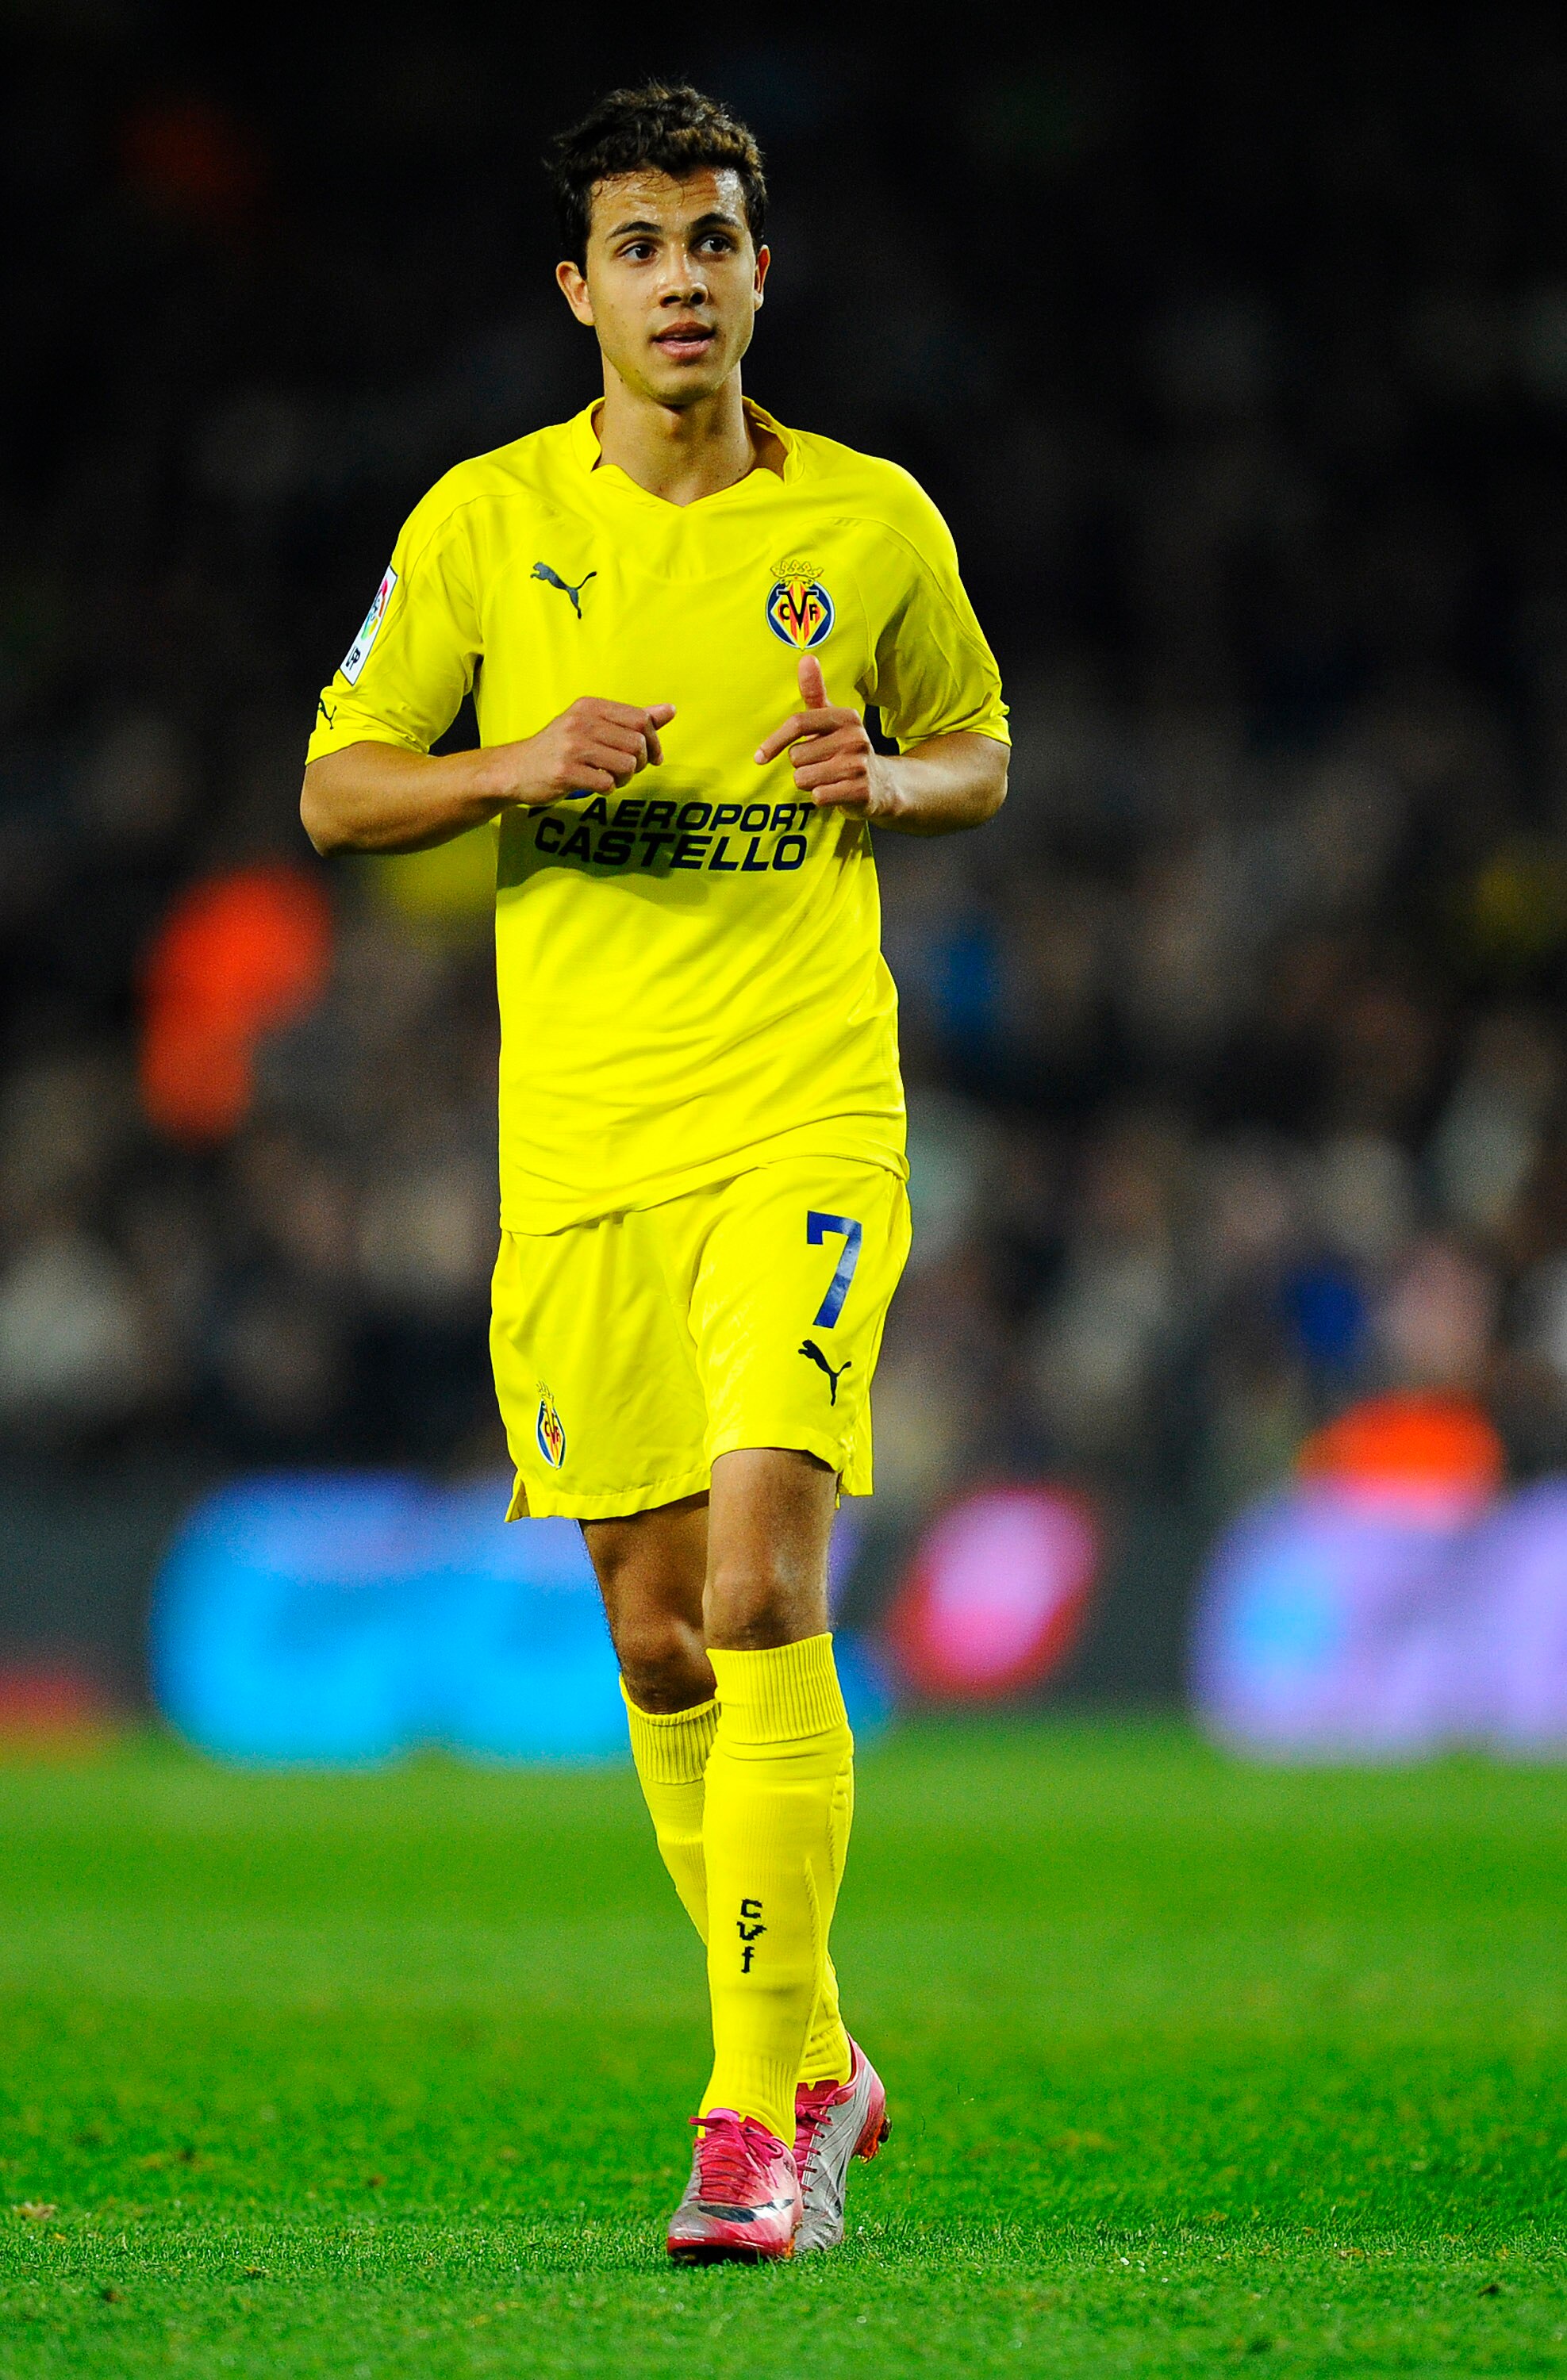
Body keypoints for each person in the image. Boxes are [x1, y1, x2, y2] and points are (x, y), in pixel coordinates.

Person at [300, 79, 1008, 2263]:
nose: (681, 279)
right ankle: (820, 2052)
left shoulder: (871, 522)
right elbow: (339, 788)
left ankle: (745, 2119)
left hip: (798, 1112)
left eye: (713, 241)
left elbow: (984, 749)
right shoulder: (483, 527)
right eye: (640, 245)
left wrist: (881, 774)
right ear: (578, 289)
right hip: (583, 1150)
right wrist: (513, 763)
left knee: (764, 1584)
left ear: (759, 271)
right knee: (655, 1635)